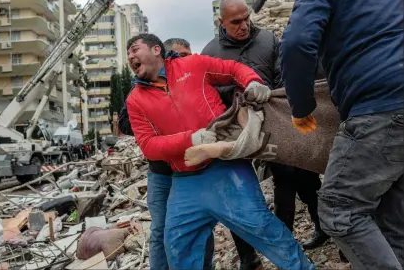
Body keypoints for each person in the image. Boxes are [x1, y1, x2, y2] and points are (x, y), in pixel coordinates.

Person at [126, 33, 314, 270]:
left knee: (261, 226)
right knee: (177, 244)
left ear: (155, 50)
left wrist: (253, 81)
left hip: (225, 169)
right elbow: (148, 146)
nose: (130, 56)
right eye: (128, 54)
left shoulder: (193, 65)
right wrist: (190, 139)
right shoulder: (135, 100)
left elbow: (233, 69)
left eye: (134, 49)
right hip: (186, 182)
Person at [280, 0, 404, 269]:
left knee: (339, 209)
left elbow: (297, 42)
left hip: (379, 107)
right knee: (393, 215)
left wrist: (300, 108)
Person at [119, 38, 262, 270]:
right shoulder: (140, 91)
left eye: (187, 55)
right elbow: (133, 129)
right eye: (178, 56)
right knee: (161, 231)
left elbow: (227, 79)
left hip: (204, 166)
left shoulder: (194, 72)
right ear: (164, 55)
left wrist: (249, 85)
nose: (183, 60)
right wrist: (180, 134)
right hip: (163, 173)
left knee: (202, 227)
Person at [201, 0, 328, 250]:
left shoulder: (268, 39)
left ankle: (323, 228)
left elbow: (284, 76)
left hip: (282, 120)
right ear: (221, 22)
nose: (244, 25)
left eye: (247, 18)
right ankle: (283, 244)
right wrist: (239, 96)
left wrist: (275, 99)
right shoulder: (211, 53)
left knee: (305, 175)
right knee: (281, 180)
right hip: (245, 129)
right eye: (236, 22)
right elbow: (211, 93)